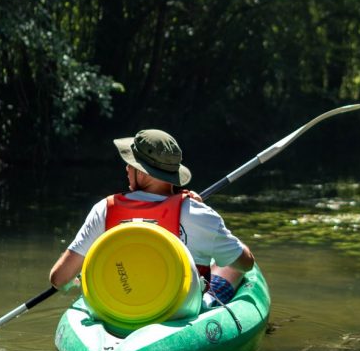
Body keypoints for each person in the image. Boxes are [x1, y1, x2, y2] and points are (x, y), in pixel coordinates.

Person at [50, 129, 255, 307]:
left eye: (130, 164)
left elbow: (59, 279)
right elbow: (246, 264)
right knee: (230, 263)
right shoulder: (201, 215)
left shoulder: (103, 210)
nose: (126, 168)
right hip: (179, 313)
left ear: (143, 173)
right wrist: (202, 212)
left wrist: (79, 277)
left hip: (115, 312)